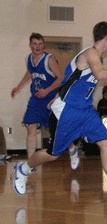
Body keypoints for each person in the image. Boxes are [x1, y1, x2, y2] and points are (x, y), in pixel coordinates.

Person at [13, 21, 107, 207]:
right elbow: (99, 75)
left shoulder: (96, 58)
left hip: (85, 111)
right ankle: (23, 168)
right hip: (68, 112)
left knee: (106, 142)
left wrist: (57, 95)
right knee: (52, 154)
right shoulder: (90, 53)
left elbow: (69, 80)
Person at [11, 33, 79, 169]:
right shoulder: (28, 59)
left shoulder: (49, 59)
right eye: (35, 44)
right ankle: (30, 164)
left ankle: (72, 148)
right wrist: (18, 86)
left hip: (51, 99)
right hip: (36, 99)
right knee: (30, 128)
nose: (37, 47)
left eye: (40, 44)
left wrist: (47, 91)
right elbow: (29, 73)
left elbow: (61, 78)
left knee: (58, 130)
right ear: (30, 45)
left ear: (44, 45)